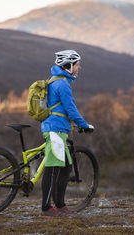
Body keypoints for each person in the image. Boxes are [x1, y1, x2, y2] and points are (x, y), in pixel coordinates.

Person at [40, 50, 94, 217]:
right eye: (77, 64)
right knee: (53, 168)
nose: (79, 67)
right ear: (69, 66)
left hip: (57, 129)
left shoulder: (55, 81)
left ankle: (60, 205)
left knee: (65, 167)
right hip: (55, 130)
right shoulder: (62, 84)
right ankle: (46, 209)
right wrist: (84, 125)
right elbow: (70, 109)